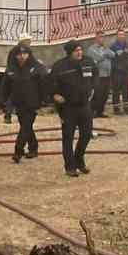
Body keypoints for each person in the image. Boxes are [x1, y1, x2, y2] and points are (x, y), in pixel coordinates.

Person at [47, 40, 96, 177]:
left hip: (84, 105)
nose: (79, 52)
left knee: (86, 135)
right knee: (68, 137)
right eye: (76, 50)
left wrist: (93, 88)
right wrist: (54, 95)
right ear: (69, 52)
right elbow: (50, 83)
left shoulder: (88, 62)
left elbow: (95, 75)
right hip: (68, 107)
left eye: (80, 50)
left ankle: (79, 160)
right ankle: (70, 167)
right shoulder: (60, 66)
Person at [0, 44, 48, 163]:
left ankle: (18, 151)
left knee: (25, 127)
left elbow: (44, 85)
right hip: (18, 102)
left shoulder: (37, 67)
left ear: (29, 54)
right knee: (26, 127)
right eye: (19, 54)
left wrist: (44, 101)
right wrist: (2, 101)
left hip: (32, 103)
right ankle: (33, 148)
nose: (22, 56)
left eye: (25, 54)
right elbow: (5, 86)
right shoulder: (11, 69)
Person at [85, 34, 114, 119]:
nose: (102, 39)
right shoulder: (91, 49)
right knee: (98, 94)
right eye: (100, 37)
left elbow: (113, 55)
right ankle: (92, 111)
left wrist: (105, 52)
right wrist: (105, 53)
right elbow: (98, 58)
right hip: (98, 75)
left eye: (103, 37)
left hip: (107, 74)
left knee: (105, 94)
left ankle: (100, 111)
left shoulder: (105, 47)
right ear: (96, 38)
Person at [108, 29, 128, 115]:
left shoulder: (127, 45)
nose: (121, 36)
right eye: (120, 35)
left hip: (125, 72)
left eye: (123, 34)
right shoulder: (113, 46)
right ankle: (116, 109)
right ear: (117, 36)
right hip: (117, 72)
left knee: (126, 90)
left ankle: (126, 108)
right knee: (116, 90)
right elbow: (112, 59)